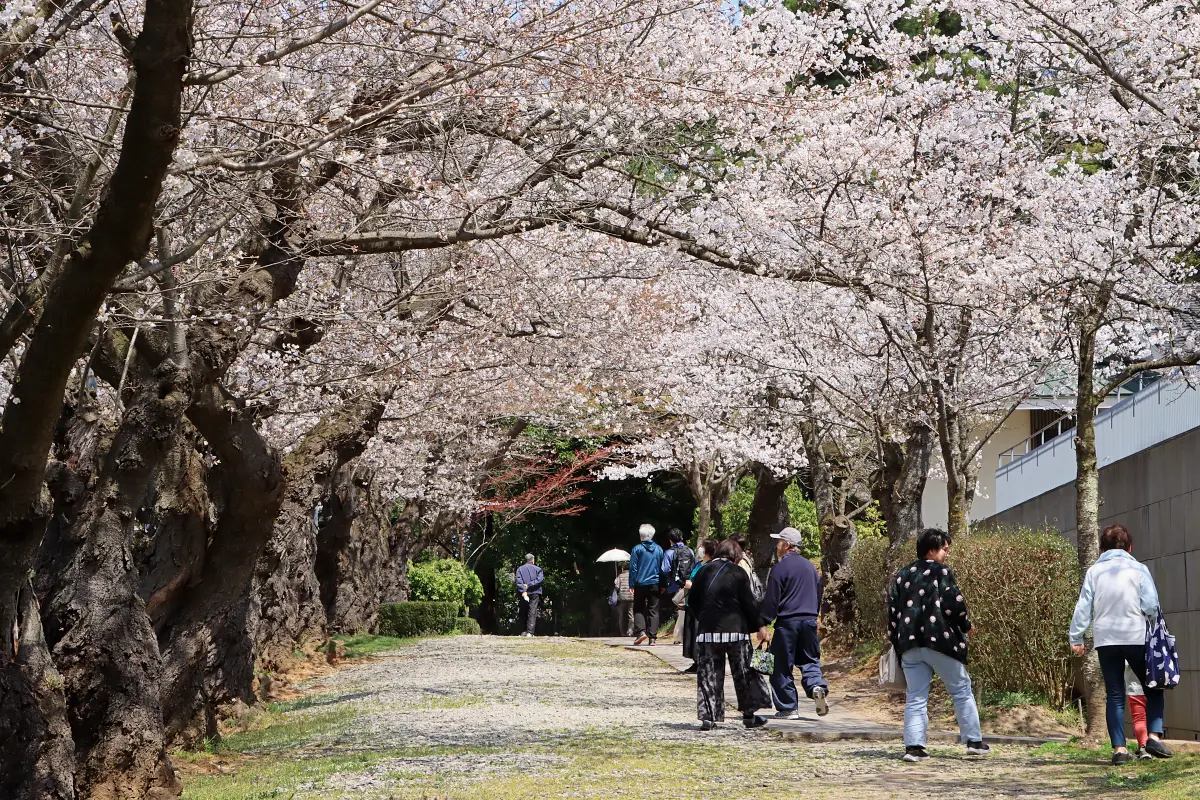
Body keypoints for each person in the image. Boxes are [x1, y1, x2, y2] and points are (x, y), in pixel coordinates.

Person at [1069, 523, 1171, 765]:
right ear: (1130, 546)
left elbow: (1083, 606)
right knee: (1152, 687)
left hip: (1106, 639)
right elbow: (1150, 605)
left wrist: (1077, 637)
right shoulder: (1139, 569)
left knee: (1114, 694)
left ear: (1102, 549)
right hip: (1135, 636)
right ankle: (1154, 736)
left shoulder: (1094, 572)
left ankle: (1119, 750)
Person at [888, 528, 989, 762]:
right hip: (939, 640)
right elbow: (954, 603)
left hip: (910, 645)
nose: (947, 553)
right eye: (944, 548)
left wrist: (897, 642)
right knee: (961, 689)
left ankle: (914, 748)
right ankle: (974, 741)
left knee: (916, 696)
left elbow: (893, 612)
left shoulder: (902, 575)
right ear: (932, 550)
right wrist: (966, 625)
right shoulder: (941, 571)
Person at [689, 538, 772, 731]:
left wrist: (704, 617)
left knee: (709, 674)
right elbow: (749, 603)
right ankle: (749, 716)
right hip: (736, 631)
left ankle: (709, 717)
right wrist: (760, 626)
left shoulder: (703, 571)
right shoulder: (737, 572)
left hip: (708, 632)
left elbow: (692, 601)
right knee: (744, 673)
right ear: (735, 556)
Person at [761, 527, 828, 719]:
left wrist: (763, 622)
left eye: (779, 542)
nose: (777, 546)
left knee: (781, 665)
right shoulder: (810, 568)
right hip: (809, 621)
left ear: (787, 545)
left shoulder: (779, 568)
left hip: (787, 623)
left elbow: (772, 600)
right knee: (810, 660)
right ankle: (816, 685)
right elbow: (818, 594)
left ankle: (788, 707)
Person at [681, 538, 718, 673]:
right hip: (691, 603)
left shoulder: (711, 566)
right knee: (691, 633)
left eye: (702, 547)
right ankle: (695, 661)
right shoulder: (698, 564)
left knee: (698, 633)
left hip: (702, 605)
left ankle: (701, 661)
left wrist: (693, 585)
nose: (699, 549)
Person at [629, 524, 665, 645]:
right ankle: (653, 638)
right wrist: (663, 584)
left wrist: (631, 584)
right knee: (653, 609)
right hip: (655, 583)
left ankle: (641, 632)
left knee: (638, 608)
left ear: (640, 536)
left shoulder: (637, 549)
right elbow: (663, 568)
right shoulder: (659, 549)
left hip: (640, 583)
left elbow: (633, 568)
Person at [661, 528, 696, 640]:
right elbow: (694, 566)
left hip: (674, 585)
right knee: (688, 608)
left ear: (670, 540)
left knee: (677, 609)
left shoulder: (669, 553)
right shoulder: (689, 551)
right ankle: (688, 635)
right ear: (682, 538)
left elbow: (665, 569)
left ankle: (679, 637)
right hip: (688, 584)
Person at [1125, 666, 1153, 760]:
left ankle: (1143, 747)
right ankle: (1153, 745)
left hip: (1134, 690)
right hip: (1153, 687)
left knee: (1139, 720)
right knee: (1153, 719)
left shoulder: (1127, 651)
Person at [515, 554, 544, 637]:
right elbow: (539, 580)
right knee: (532, 611)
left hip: (524, 593)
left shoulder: (520, 569)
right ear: (533, 560)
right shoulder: (538, 569)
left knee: (523, 611)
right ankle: (530, 632)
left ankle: (523, 631)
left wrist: (523, 590)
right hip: (535, 592)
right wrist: (530, 584)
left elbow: (518, 581)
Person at [613, 566, 634, 636]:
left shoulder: (620, 576)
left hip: (621, 598)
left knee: (621, 615)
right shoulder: (633, 575)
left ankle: (622, 632)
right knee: (631, 615)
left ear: (622, 569)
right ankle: (630, 631)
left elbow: (616, 586)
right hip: (631, 597)